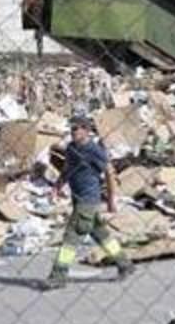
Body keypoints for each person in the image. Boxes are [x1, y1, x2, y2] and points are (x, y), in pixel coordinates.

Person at [43, 115, 135, 290]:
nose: (73, 132)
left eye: (77, 128)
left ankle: (58, 276)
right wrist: (57, 185)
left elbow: (109, 172)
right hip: (77, 199)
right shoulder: (70, 148)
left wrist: (111, 199)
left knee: (71, 237)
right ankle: (125, 264)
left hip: (88, 199)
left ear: (86, 130)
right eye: (72, 129)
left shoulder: (94, 150)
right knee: (101, 234)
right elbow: (67, 169)